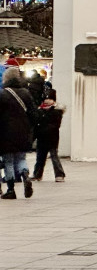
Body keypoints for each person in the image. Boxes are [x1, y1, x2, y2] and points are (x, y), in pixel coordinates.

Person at [0, 67, 35, 199]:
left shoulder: (2, 94)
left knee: (8, 161)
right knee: (21, 158)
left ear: (6, 78)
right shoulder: (26, 93)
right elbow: (33, 113)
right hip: (23, 131)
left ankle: (11, 189)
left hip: (6, 133)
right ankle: (25, 174)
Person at [32, 89, 66, 182]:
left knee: (54, 157)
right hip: (41, 137)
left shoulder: (56, 111)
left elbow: (55, 125)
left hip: (52, 138)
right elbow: (36, 123)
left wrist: (44, 128)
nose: (47, 100)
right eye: (45, 98)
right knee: (40, 157)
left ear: (53, 100)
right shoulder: (40, 110)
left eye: (50, 98)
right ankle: (37, 174)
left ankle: (59, 174)